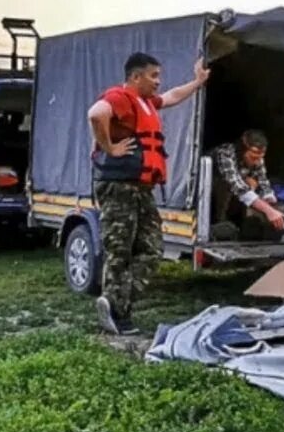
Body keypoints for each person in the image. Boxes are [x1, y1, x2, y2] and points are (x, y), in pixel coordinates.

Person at [86, 52, 209, 335]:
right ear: (135, 76)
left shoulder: (146, 102)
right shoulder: (120, 96)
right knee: (120, 250)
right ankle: (118, 316)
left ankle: (115, 302)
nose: (158, 82)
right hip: (119, 187)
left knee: (152, 250)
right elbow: (96, 114)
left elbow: (172, 96)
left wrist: (197, 82)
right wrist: (109, 147)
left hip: (140, 188)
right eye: (153, 76)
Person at [208, 129, 284, 242]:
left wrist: (272, 205)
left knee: (252, 184)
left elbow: (264, 184)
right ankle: (220, 224)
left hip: (235, 196)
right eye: (253, 157)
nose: (257, 162)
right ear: (242, 150)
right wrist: (268, 211)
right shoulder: (225, 154)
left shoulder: (258, 159)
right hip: (210, 194)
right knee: (228, 186)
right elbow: (238, 187)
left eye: (260, 157)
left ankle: (249, 230)